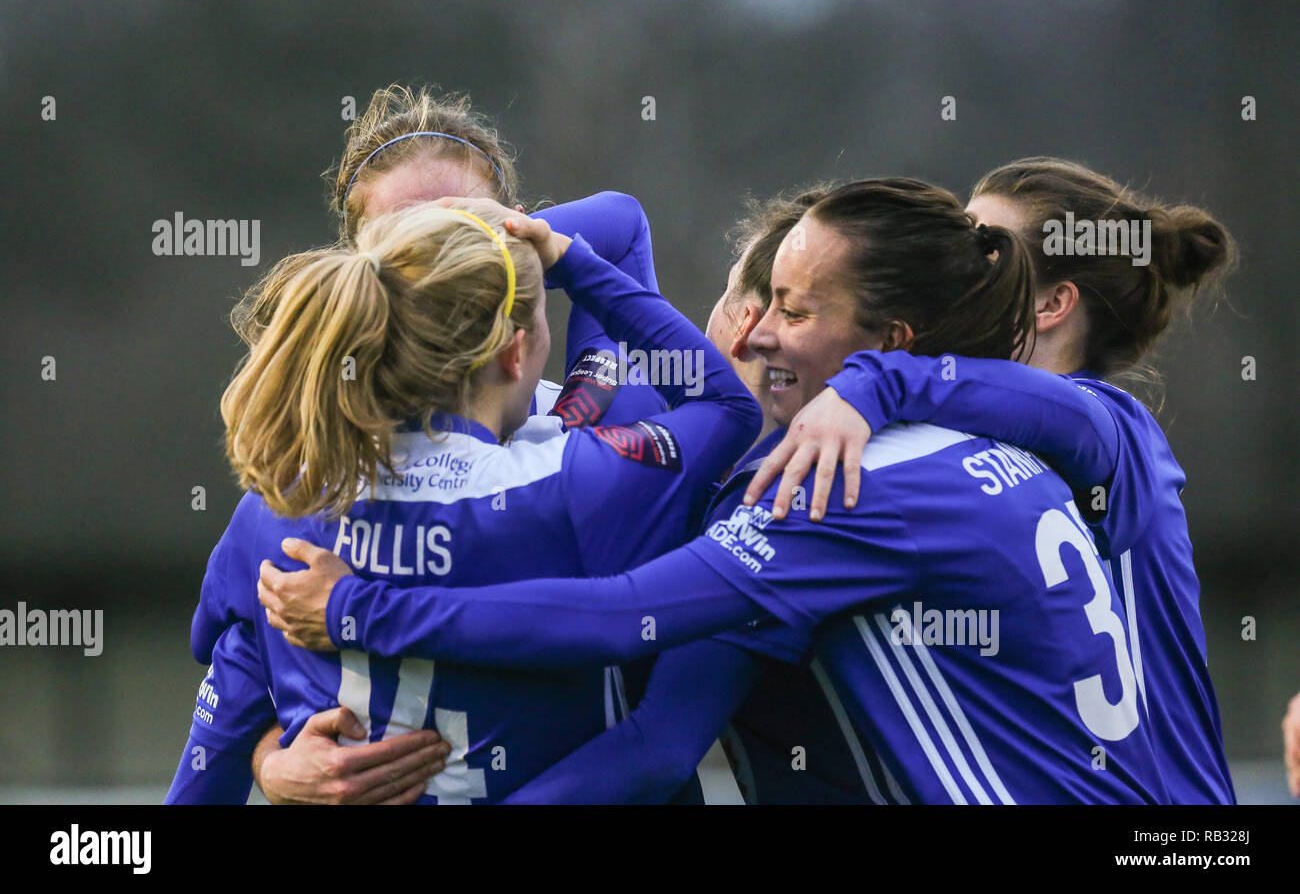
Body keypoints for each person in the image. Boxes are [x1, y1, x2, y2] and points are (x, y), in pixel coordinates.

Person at [262, 177, 1172, 803]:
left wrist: (361, 611)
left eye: (792, 308)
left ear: (886, 340)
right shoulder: (991, 440)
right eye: (757, 297)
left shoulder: (831, 486)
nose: (753, 331)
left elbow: (619, 625)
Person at [164, 199, 760, 803]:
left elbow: (213, 646)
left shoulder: (278, 502)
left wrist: (269, 758)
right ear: (514, 351)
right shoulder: (573, 478)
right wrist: (563, 257)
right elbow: (727, 405)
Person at [745, 157, 1238, 804]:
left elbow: (1054, 413)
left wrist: (875, 378)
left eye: (989, 250)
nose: (957, 260)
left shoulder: (1114, 423)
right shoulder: (962, 449)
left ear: (1053, 304)